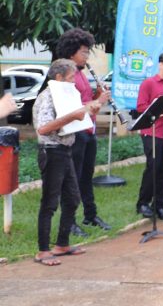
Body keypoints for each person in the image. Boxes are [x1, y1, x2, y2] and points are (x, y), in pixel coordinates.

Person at [33, 59, 101, 266]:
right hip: (51, 151)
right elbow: (43, 129)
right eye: (71, 78)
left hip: (65, 150)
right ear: (59, 77)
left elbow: (72, 119)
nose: (74, 82)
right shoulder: (47, 97)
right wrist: (73, 115)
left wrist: (87, 112)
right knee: (50, 202)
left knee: (72, 198)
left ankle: (62, 244)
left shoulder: (65, 94)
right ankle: (42, 250)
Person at [55, 28, 111, 236]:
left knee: (86, 176)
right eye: (84, 52)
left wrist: (99, 94)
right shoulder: (66, 75)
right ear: (72, 53)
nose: (87, 56)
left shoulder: (81, 73)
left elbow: (87, 100)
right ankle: (69, 222)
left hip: (89, 129)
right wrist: (98, 101)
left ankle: (90, 214)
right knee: (73, 178)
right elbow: (72, 107)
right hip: (75, 132)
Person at [135, 52, 163, 221]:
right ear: (160, 65)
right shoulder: (149, 83)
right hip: (152, 130)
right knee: (153, 167)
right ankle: (143, 203)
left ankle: (159, 205)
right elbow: (140, 108)